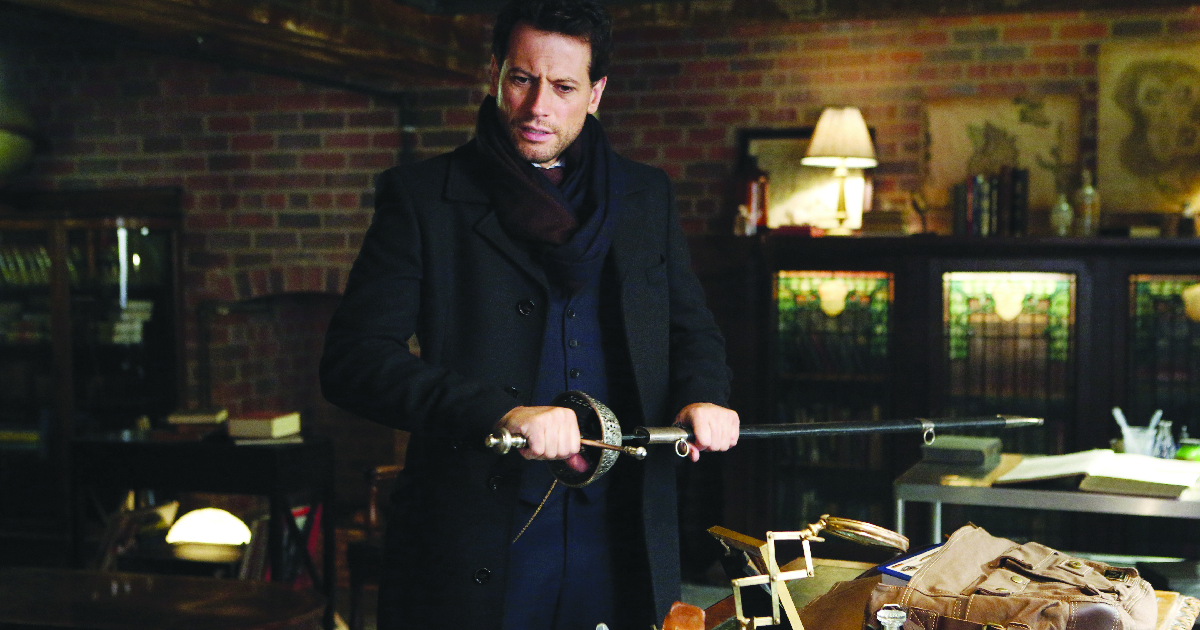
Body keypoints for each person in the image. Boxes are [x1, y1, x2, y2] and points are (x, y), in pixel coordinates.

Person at [319, 0, 739, 626]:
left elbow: (690, 328)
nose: (538, 105)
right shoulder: (422, 197)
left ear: (595, 93)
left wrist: (703, 394)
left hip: (619, 535)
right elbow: (353, 361)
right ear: (495, 74)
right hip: (476, 539)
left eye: (563, 87)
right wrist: (500, 413)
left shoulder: (644, 195)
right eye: (522, 79)